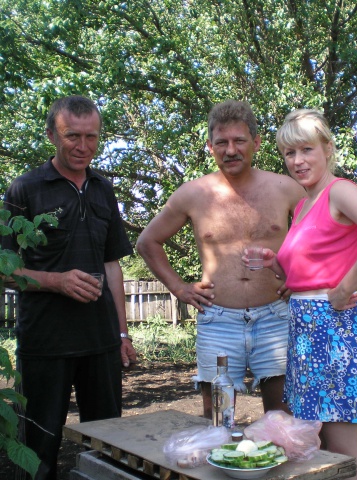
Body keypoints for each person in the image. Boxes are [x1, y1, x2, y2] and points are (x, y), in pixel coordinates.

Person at [243, 109, 357, 480]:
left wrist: (346, 286)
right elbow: (307, 276)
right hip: (305, 334)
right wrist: (275, 264)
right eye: (289, 153)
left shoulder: (340, 191)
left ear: (327, 148)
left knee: (342, 451)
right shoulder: (303, 205)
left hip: (334, 330)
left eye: (306, 149)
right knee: (318, 452)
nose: (297, 161)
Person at [136, 100, 305, 419]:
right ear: (210, 146)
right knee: (218, 421)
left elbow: (320, 237)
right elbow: (147, 242)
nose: (231, 150)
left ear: (256, 142)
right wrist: (179, 287)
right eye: (221, 142)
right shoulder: (193, 194)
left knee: (283, 422)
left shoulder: (286, 189)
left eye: (239, 141)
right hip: (218, 321)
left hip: (277, 317)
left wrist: (302, 278)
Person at [2, 95, 136, 480]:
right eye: (71, 136)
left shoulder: (103, 189)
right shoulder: (25, 189)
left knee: (108, 446)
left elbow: (112, 265)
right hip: (45, 342)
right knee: (38, 448)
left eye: (91, 136)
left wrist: (122, 333)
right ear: (51, 135)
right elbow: (4, 268)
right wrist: (56, 281)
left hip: (100, 342)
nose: (83, 146)